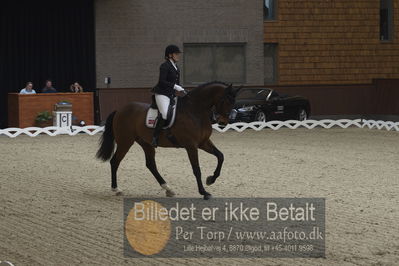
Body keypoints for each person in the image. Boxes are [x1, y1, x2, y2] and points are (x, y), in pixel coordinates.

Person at [151, 44, 186, 147]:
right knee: (165, 114)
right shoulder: (164, 66)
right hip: (162, 94)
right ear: (170, 55)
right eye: (176, 54)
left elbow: (176, 84)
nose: (178, 56)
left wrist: (182, 89)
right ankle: (155, 137)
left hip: (171, 95)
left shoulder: (176, 68)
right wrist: (175, 86)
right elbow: (162, 81)